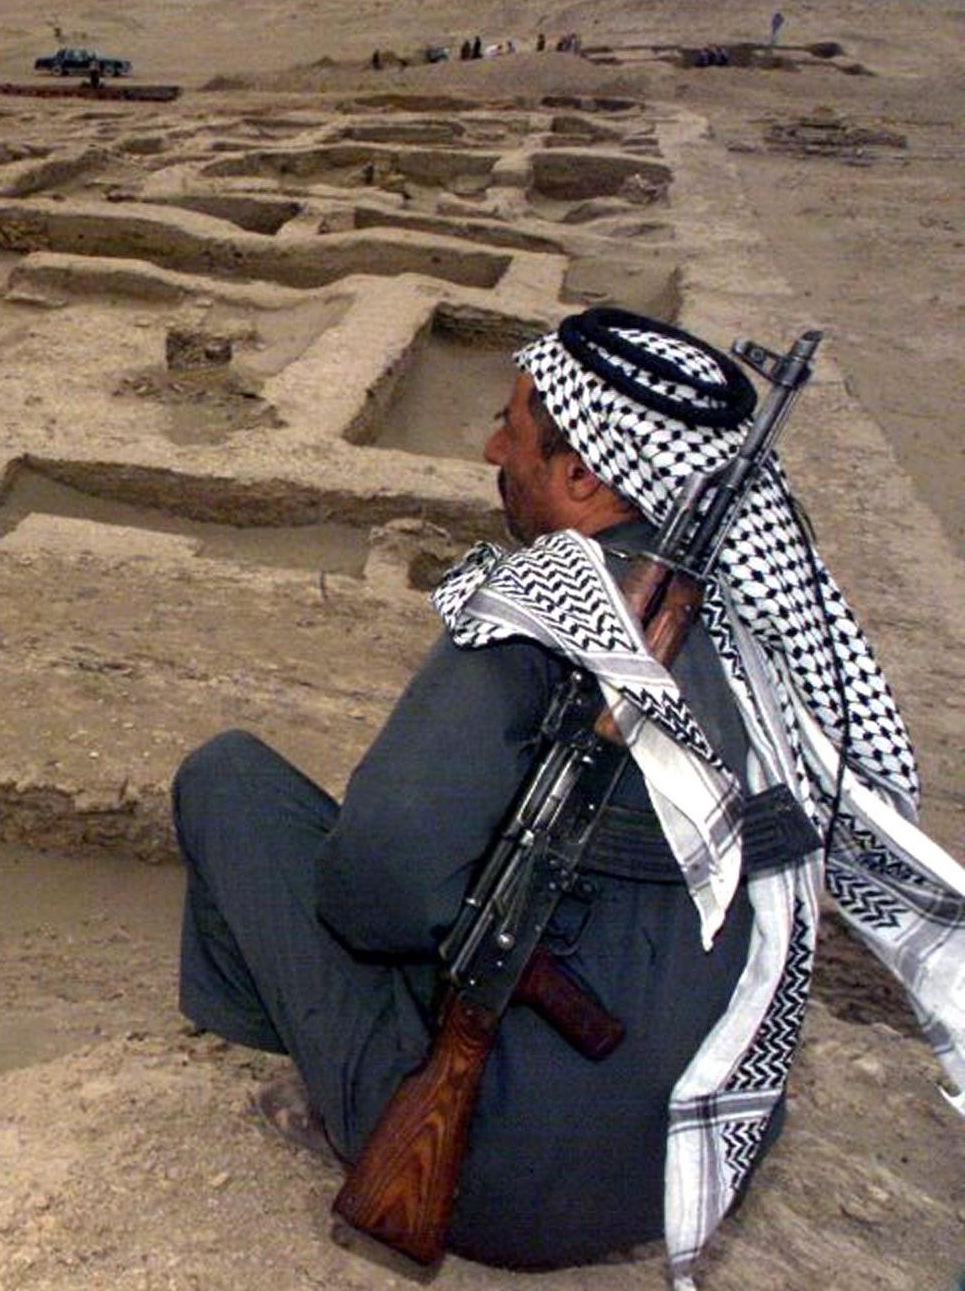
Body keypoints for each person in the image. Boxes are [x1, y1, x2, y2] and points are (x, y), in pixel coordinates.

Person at [174, 308, 965, 1286]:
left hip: (491, 1170)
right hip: (683, 1159)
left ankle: (327, 1083)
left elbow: (370, 887)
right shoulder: (772, 642)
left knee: (230, 781)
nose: (491, 447)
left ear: (584, 475)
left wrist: (463, 939)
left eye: (513, 426)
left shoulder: (551, 603)